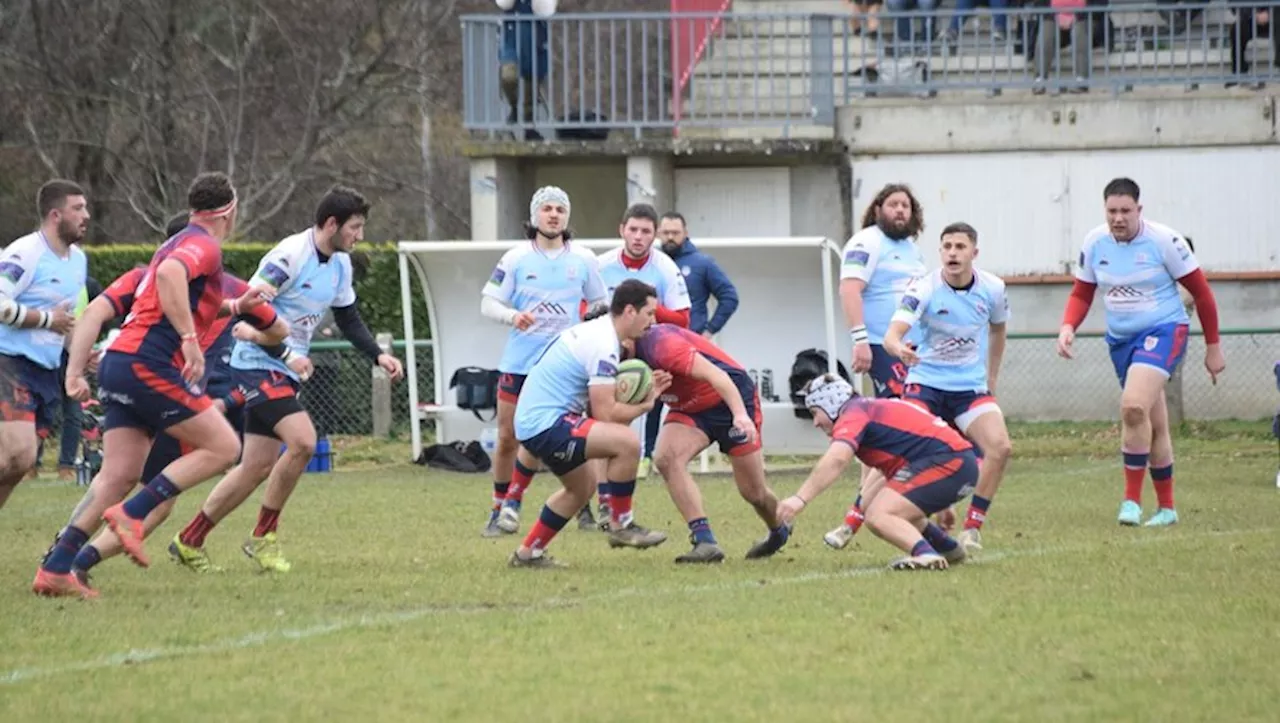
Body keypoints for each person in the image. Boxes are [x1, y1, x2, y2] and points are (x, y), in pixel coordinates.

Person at [33, 173, 267, 597]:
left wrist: (73, 372)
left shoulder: (155, 259)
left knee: (117, 475)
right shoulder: (204, 246)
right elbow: (174, 276)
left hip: (119, 364)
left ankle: (57, 567)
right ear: (229, 211)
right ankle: (133, 516)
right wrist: (190, 341)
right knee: (225, 447)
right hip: (149, 365)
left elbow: (101, 312)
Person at [170, 187, 404, 574]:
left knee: (255, 467)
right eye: (355, 227)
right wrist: (287, 355)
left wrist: (378, 355)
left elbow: (348, 318)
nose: (359, 236)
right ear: (332, 224)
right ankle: (263, 537)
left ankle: (190, 539)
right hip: (255, 362)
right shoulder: (289, 256)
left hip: (284, 366)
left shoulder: (341, 264)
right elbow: (246, 312)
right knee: (303, 442)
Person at [1057, 177, 1224, 527]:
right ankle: (1167, 509)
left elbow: (1203, 294)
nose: (1118, 218)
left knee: (1133, 407)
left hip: (1164, 330)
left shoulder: (1164, 240)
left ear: (1139, 210)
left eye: (1125, 211)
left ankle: (1131, 503)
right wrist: (1068, 326)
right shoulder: (1095, 242)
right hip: (1120, 340)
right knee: (1154, 422)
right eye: (1111, 211)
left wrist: (1213, 348)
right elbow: (1082, 294)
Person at [508, 279, 669, 567]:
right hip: (547, 423)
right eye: (650, 313)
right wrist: (646, 403)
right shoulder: (603, 344)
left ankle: (527, 554)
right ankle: (621, 525)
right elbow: (606, 414)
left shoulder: (600, 334)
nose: (653, 321)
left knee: (581, 489)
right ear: (630, 311)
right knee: (628, 443)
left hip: (539, 421)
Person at [882, 222, 1013, 553]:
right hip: (925, 384)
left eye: (960, 247)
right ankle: (855, 517)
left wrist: (991, 377)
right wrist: (900, 349)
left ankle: (972, 529)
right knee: (901, 448)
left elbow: (998, 331)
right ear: (939, 251)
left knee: (1000, 447)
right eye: (947, 247)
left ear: (974, 252)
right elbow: (891, 335)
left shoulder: (993, 288)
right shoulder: (922, 288)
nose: (953, 253)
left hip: (968, 387)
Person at [484, 186, 607, 537]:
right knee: (508, 436)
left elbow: (600, 303)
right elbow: (488, 303)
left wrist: (590, 326)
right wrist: (512, 317)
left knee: (573, 435)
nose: (553, 215)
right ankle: (499, 510)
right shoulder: (515, 258)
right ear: (535, 215)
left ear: (567, 217)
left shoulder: (584, 258)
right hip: (520, 363)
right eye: (547, 209)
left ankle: (582, 505)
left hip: (565, 367)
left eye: (560, 209)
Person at [626, 321, 788, 563]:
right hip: (689, 407)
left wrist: (740, 415)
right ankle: (705, 542)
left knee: (754, 493)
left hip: (728, 399)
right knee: (667, 459)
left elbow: (717, 375)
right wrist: (650, 397)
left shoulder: (662, 344)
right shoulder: (607, 356)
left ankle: (779, 529)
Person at [776, 374, 975, 570]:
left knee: (879, 514)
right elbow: (910, 452)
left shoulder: (854, 414)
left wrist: (799, 499)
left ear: (830, 403)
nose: (816, 423)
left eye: (814, 412)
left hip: (949, 462)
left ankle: (926, 555)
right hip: (955, 462)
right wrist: (940, 500)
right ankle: (949, 549)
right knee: (881, 507)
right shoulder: (868, 408)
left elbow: (837, 459)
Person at [825, 183, 928, 550]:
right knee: (901, 429)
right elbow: (849, 290)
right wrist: (859, 339)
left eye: (906, 205)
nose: (900, 211)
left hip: (913, 349)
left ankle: (863, 508)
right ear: (878, 208)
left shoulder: (911, 249)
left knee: (887, 429)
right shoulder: (865, 241)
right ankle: (857, 516)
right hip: (884, 348)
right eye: (893, 204)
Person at [0, 179, 87, 510]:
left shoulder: (78, 260)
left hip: (44, 372)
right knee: (18, 452)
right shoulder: (25, 253)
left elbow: (68, 319)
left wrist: (79, 357)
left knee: (20, 464)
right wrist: (47, 320)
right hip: (8, 363)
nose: (86, 215)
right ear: (55, 215)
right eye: (77, 208)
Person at [597, 202, 691, 496]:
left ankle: (623, 490)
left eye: (646, 231)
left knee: (628, 426)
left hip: (647, 358)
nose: (638, 236)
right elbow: (584, 308)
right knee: (601, 424)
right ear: (622, 230)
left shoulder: (665, 267)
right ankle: (599, 496)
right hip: (604, 353)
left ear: (655, 236)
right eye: (633, 229)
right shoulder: (600, 266)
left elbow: (683, 318)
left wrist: (645, 309)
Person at [648, 211, 739, 476]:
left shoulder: (701, 263)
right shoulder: (653, 264)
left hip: (690, 346)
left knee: (700, 395)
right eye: (665, 233)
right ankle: (648, 455)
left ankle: (715, 448)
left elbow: (729, 297)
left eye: (675, 233)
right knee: (654, 397)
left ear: (685, 233)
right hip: (657, 345)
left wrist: (709, 330)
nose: (670, 238)